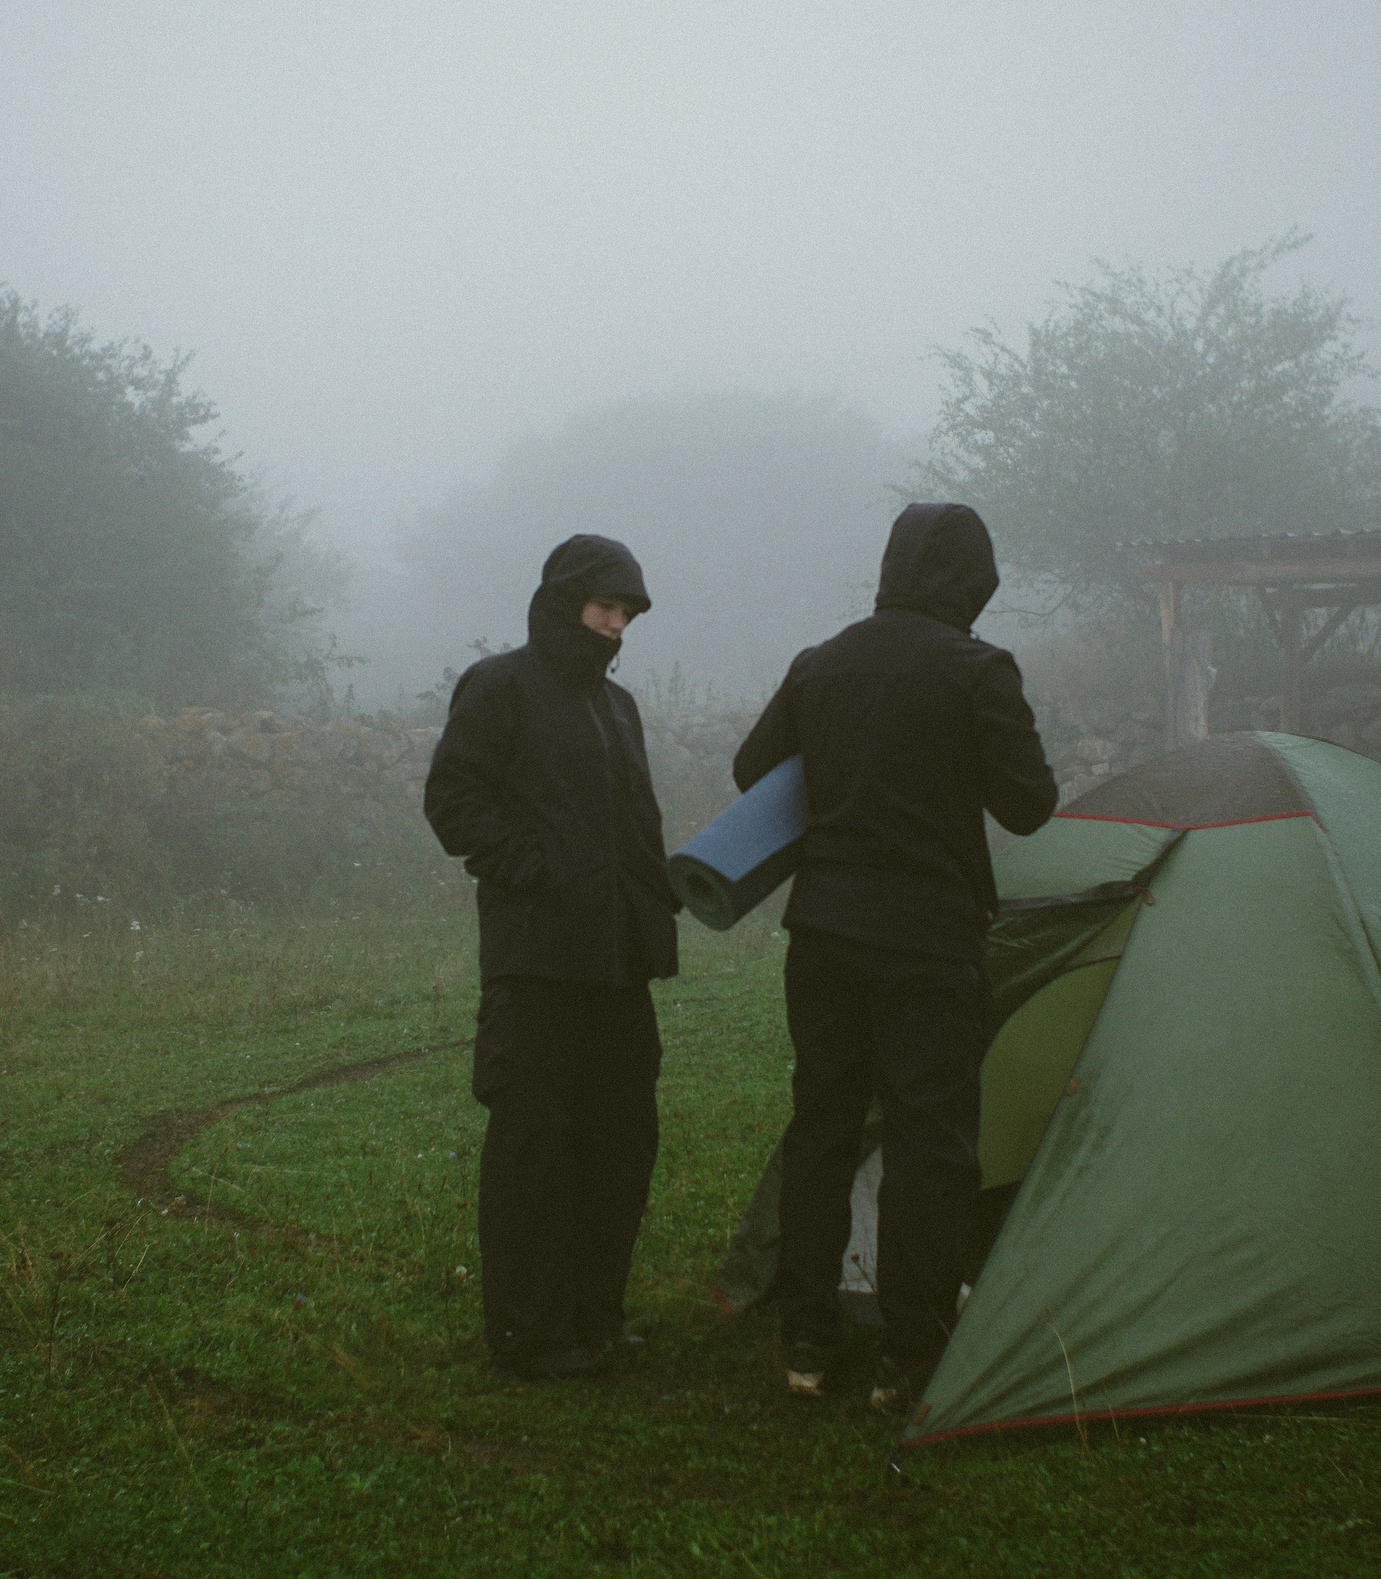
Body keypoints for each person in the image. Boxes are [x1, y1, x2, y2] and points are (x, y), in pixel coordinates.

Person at [732, 503, 1057, 1413]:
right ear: (974, 580)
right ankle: (910, 1352)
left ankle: (806, 1339)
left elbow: (753, 770)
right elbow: (1030, 804)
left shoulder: (820, 662)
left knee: (823, 1126)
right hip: (928, 942)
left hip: (824, 936)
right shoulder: (979, 670)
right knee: (928, 1142)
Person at [423, 534, 678, 1380]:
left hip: (617, 966)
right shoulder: (499, 686)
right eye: (605, 607)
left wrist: (659, 895)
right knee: (534, 1148)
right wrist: (536, 869)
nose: (615, 626)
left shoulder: (620, 707)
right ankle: (529, 1336)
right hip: (535, 963)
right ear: (566, 601)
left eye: (626, 613)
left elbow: (632, 824)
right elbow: (453, 798)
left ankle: (595, 1317)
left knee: (620, 1142)